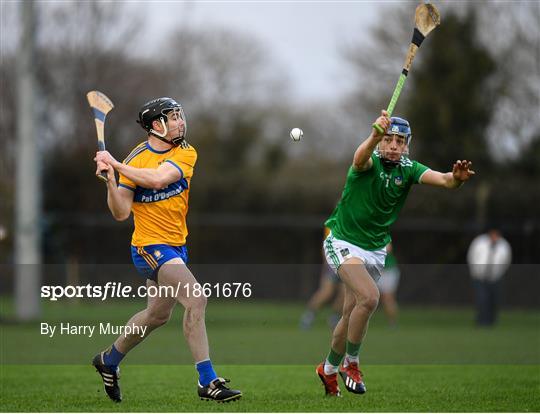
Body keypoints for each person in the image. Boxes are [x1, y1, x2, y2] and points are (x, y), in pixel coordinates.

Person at [316, 110, 475, 397]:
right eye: (388, 139)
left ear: (407, 146)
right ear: (380, 141)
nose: (393, 146)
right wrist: (374, 134)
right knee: (370, 297)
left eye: (400, 142)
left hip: (375, 248)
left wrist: (457, 179)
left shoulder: (408, 168)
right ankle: (351, 364)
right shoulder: (368, 161)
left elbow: (444, 180)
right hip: (342, 242)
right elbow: (358, 159)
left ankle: (327, 369)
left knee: (350, 313)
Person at [93, 97, 242, 403]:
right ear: (156, 126)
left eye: (180, 116)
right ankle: (207, 381)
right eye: (173, 118)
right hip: (148, 246)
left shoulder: (185, 152)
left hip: (176, 245)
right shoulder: (135, 159)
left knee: (157, 315)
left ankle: (109, 359)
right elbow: (121, 212)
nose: (181, 122)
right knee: (196, 298)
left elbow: (161, 179)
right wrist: (111, 180)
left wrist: (116, 165)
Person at [300, 228, 344, 330]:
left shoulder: (352, 222)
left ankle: (334, 318)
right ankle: (308, 316)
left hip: (347, 263)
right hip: (332, 264)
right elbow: (326, 246)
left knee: (345, 295)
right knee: (326, 292)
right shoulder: (333, 223)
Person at [467, 228, 512, 327]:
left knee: (494, 300)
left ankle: (491, 321)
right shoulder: (479, 242)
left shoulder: (504, 246)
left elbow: (507, 261)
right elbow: (471, 256)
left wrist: (499, 273)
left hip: (495, 278)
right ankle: (481, 322)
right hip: (479, 277)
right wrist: (474, 271)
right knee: (482, 299)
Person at [376, 242, 400, 327]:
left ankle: (392, 322)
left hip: (388, 271)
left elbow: (388, 249)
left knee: (388, 298)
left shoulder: (382, 234)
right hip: (377, 270)